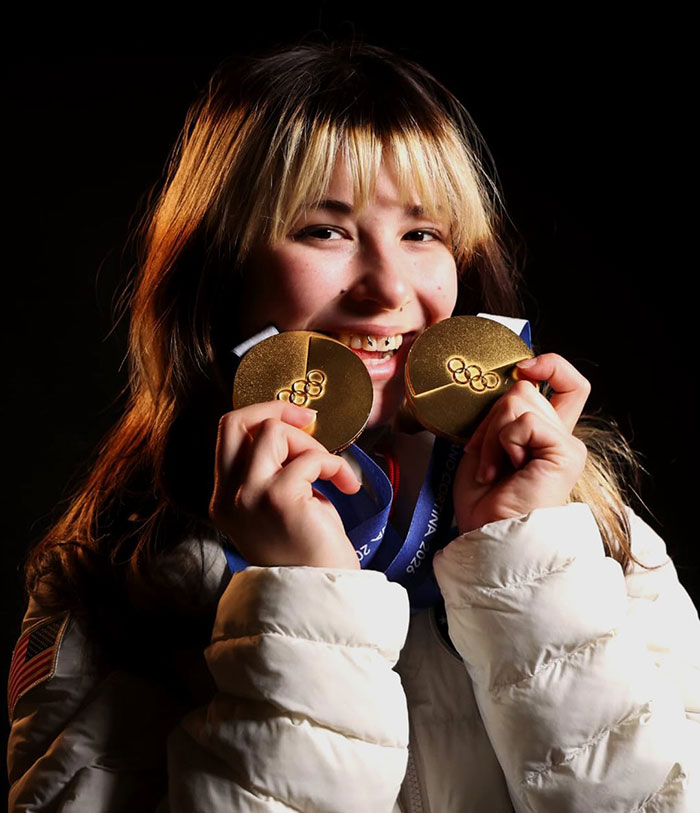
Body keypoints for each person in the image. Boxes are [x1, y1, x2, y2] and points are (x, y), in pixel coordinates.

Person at [7, 42, 699, 812]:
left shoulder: (596, 537)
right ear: (222, 270)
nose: (388, 288)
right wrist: (300, 598)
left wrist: (525, 562)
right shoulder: (117, 580)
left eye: (423, 233)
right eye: (323, 231)